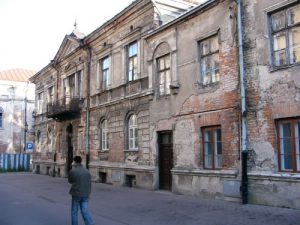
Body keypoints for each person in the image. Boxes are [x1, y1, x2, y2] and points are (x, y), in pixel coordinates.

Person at [68, 156, 94, 225]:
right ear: (81, 161)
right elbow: (89, 182)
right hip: (86, 194)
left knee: (74, 211)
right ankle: (90, 223)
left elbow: (70, 181)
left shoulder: (73, 171)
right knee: (85, 211)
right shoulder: (87, 171)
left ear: (75, 162)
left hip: (76, 194)